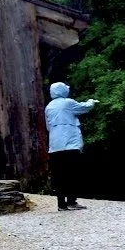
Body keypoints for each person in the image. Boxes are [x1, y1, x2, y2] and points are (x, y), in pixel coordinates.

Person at [44, 82, 97, 211]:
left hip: (55, 146)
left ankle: (61, 204)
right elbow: (83, 107)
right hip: (70, 144)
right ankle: (72, 201)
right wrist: (91, 101)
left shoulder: (49, 107)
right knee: (73, 173)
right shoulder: (68, 102)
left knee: (59, 175)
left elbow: (48, 126)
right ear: (63, 90)